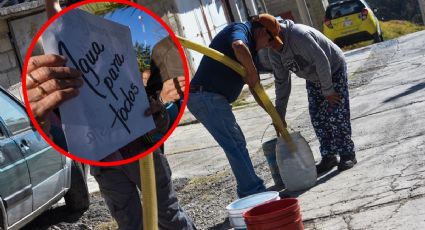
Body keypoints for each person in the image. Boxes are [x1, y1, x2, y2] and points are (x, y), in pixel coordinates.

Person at [28, 2, 197, 230]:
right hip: (105, 165)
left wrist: (157, 113)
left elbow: (158, 116)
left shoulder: (120, 64)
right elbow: (60, 27)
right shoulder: (58, 89)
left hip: (142, 152)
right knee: (130, 224)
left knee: (169, 216)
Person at [250, 14, 356, 174]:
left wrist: (328, 90)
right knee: (317, 117)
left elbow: (322, 60)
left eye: (269, 41)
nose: (267, 46)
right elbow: (282, 82)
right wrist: (280, 114)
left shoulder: (299, 36)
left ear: (273, 34)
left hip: (333, 69)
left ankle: (348, 154)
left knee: (336, 114)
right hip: (312, 78)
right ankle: (329, 156)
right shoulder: (274, 53)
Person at [187, 19, 268, 198]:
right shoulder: (241, 29)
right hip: (205, 96)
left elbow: (255, 87)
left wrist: (274, 116)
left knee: (237, 143)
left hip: (211, 98)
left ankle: (249, 190)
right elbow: (238, 46)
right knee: (234, 144)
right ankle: (253, 192)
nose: (267, 46)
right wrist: (252, 71)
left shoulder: (251, 49)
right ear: (262, 32)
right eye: (269, 41)